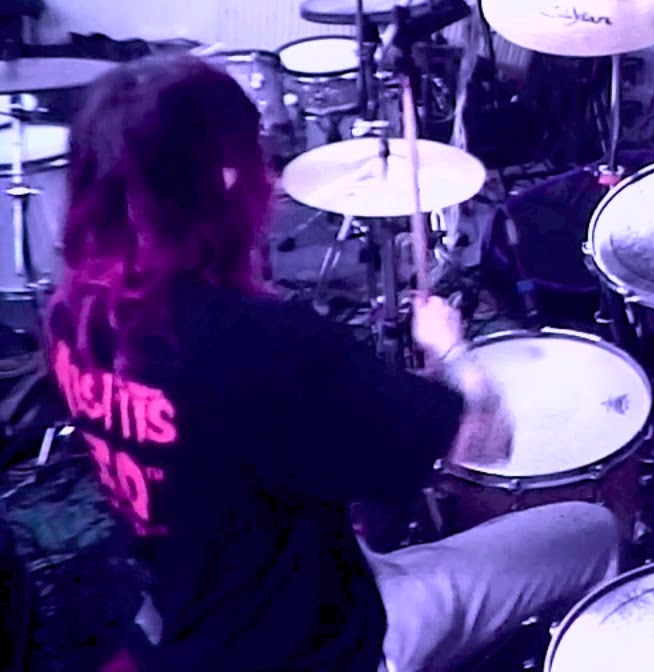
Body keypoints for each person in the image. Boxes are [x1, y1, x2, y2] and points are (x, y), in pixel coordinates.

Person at [45, 54, 619, 672]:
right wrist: (450, 350)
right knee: (592, 530)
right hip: (318, 646)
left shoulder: (70, 314)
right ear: (228, 181)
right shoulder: (266, 343)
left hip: (186, 610)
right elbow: (486, 440)